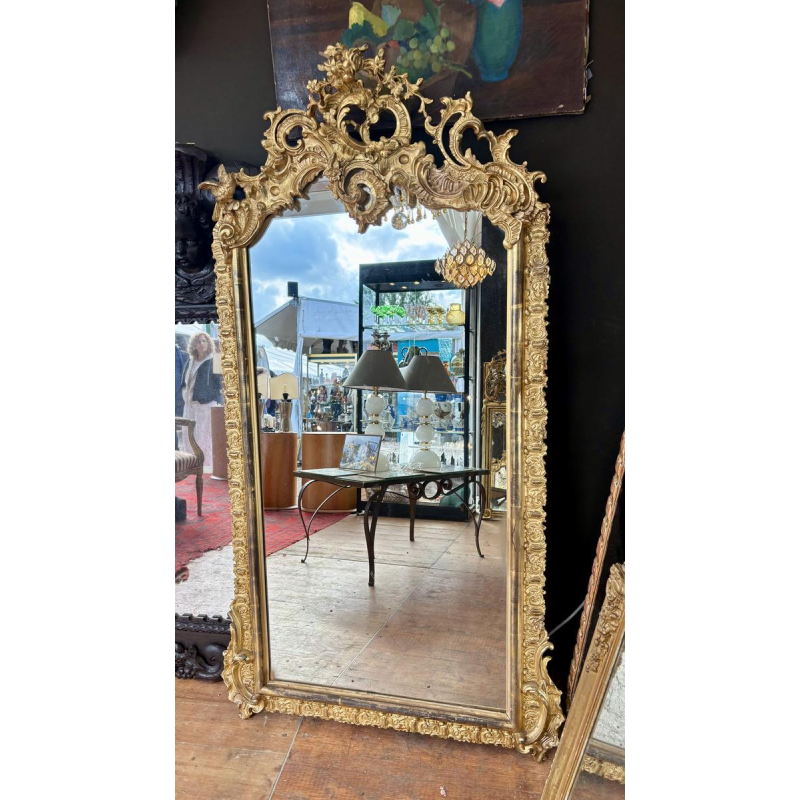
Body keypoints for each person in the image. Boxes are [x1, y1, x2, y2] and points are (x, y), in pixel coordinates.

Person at [180, 331, 222, 464]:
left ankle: (207, 468)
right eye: (198, 341)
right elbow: (184, 382)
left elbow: (220, 383)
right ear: (194, 345)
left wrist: (209, 396)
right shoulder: (190, 361)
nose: (201, 343)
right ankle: (192, 466)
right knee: (188, 436)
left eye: (204, 341)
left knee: (203, 438)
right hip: (189, 405)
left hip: (206, 405)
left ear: (208, 343)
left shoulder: (214, 360)